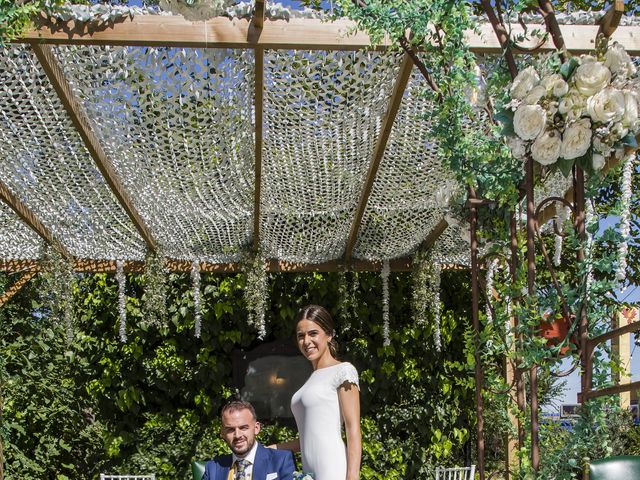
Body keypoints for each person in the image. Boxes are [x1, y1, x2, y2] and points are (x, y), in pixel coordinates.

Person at [271, 305, 361, 480]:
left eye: (313, 333)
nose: (306, 341)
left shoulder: (343, 371)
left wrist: (352, 476)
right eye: (301, 336)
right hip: (309, 472)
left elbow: (353, 429)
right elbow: (309, 439)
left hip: (333, 467)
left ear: (329, 334)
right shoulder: (311, 379)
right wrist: (271, 448)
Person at [203, 399, 295, 480]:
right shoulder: (213, 468)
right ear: (222, 433)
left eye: (243, 428)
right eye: (230, 429)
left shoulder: (281, 460)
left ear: (256, 428)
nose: (237, 435)